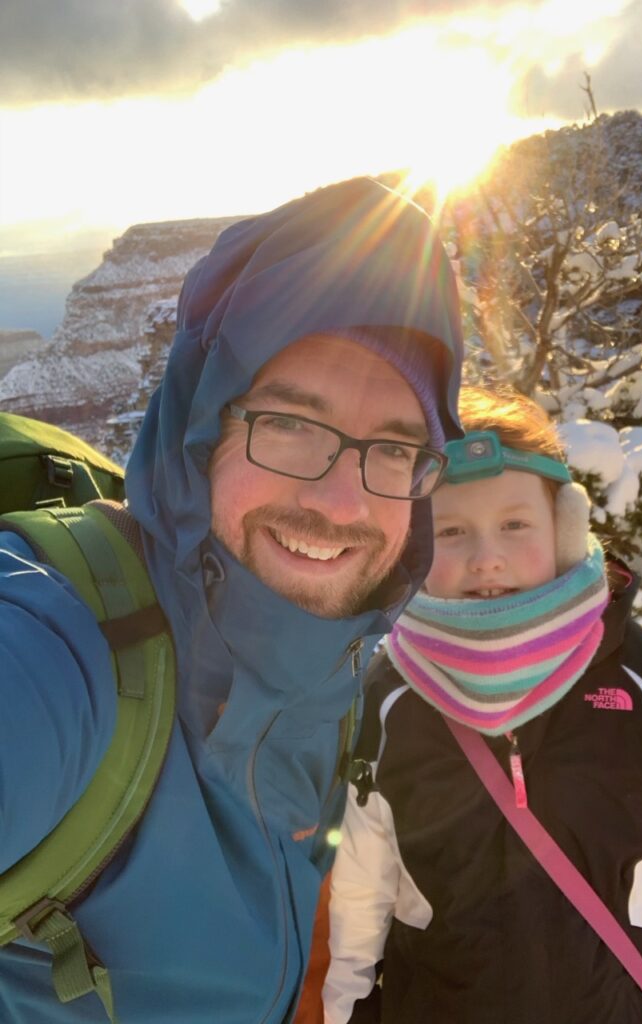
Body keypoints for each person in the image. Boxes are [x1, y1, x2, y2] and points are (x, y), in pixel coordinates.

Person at [0, 177, 464, 1023]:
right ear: (202, 429)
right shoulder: (55, 657)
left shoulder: (348, 680)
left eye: (393, 449)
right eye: (289, 424)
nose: (340, 503)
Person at [323, 384, 642, 1024]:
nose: (486, 557)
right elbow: (355, 905)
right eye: (450, 530)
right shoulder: (390, 696)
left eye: (514, 524)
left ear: (565, 529)